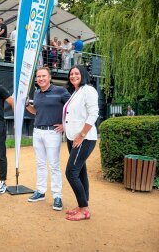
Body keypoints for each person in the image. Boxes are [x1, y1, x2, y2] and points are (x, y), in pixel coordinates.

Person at [25, 67, 71, 211]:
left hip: (53, 133)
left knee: (54, 165)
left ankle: (57, 196)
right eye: (38, 76)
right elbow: (36, 111)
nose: (41, 79)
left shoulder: (60, 91)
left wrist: (65, 125)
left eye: (43, 76)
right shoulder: (37, 93)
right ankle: (40, 191)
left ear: (49, 77)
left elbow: (72, 107)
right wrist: (27, 105)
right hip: (37, 132)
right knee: (40, 164)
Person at [63, 65, 99, 221]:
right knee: (80, 172)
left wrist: (82, 135)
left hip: (84, 139)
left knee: (71, 173)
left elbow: (94, 114)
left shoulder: (88, 90)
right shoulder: (76, 92)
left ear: (83, 74)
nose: (73, 76)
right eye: (71, 74)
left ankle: (84, 210)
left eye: (77, 73)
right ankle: (82, 204)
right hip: (73, 139)